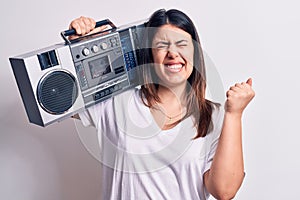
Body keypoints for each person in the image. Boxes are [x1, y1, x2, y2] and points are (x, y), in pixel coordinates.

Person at [70, 8, 255, 200]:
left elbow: (224, 191)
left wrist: (234, 114)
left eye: (182, 44)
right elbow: (61, 102)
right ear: (149, 55)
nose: (173, 53)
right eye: (162, 45)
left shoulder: (213, 116)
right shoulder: (116, 102)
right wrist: (79, 48)